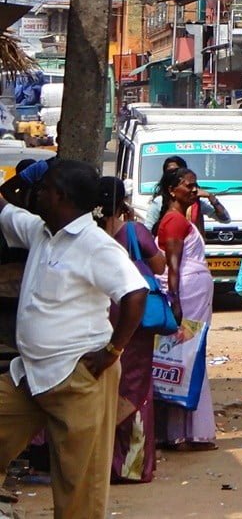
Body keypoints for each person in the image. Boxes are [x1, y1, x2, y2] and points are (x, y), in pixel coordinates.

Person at [0, 158, 147, 519]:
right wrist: (20, 180)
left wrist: (113, 350)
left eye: (44, 188)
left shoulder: (95, 245)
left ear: (61, 196)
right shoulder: (40, 231)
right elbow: (4, 207)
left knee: (78, 488)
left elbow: (135, 293)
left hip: (77, 379)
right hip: (31, 375)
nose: (37, 194)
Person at [98, 178, 165, 484]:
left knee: (105, 386)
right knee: (136, 387)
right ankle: (132, 464)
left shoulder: (89, 233)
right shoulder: (133, 231)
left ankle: (102, 460)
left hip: (100, 318)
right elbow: (160, 266)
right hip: (133, 320)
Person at [155, 168, 218, 451]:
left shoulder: (179, 220)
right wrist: (176, 301)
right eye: (188, 186)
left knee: (188, 358)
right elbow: (173, 267)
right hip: (187, 295)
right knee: (187, 359)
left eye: (195, 186)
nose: (194, 190)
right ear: (172, 190)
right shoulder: (174, 222)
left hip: (191, 292)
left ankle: (183, 431)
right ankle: (184, 433)